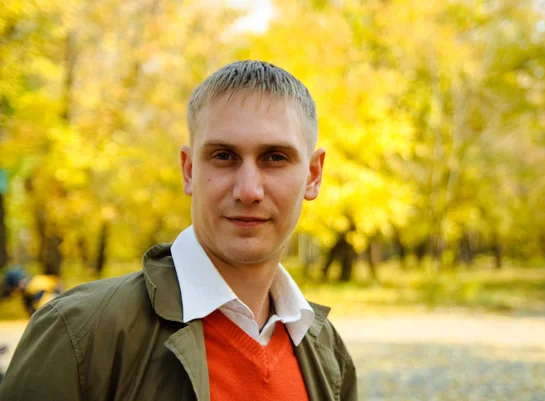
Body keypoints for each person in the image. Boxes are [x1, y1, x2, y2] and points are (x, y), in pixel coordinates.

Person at [0, 60, 357, 401]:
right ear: (188, 171)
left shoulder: (327, 352)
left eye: (275, 157)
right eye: (224, 156)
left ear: (313, 175)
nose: (248, 190)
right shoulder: (81, 334)